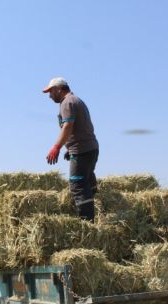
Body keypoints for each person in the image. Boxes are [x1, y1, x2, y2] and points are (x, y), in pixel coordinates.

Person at [43, 77, 99, 222]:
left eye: (51, 92)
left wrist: (56, 147)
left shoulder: (67, 102)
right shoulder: (76, 100)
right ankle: (98, 212)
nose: (49, 96)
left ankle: (87, 224)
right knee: (87, 182)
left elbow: (68, 126)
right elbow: (80, 128)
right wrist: (70, 146)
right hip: (90, 148)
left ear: (58, 89)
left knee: (78, 185)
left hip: (82, 150)